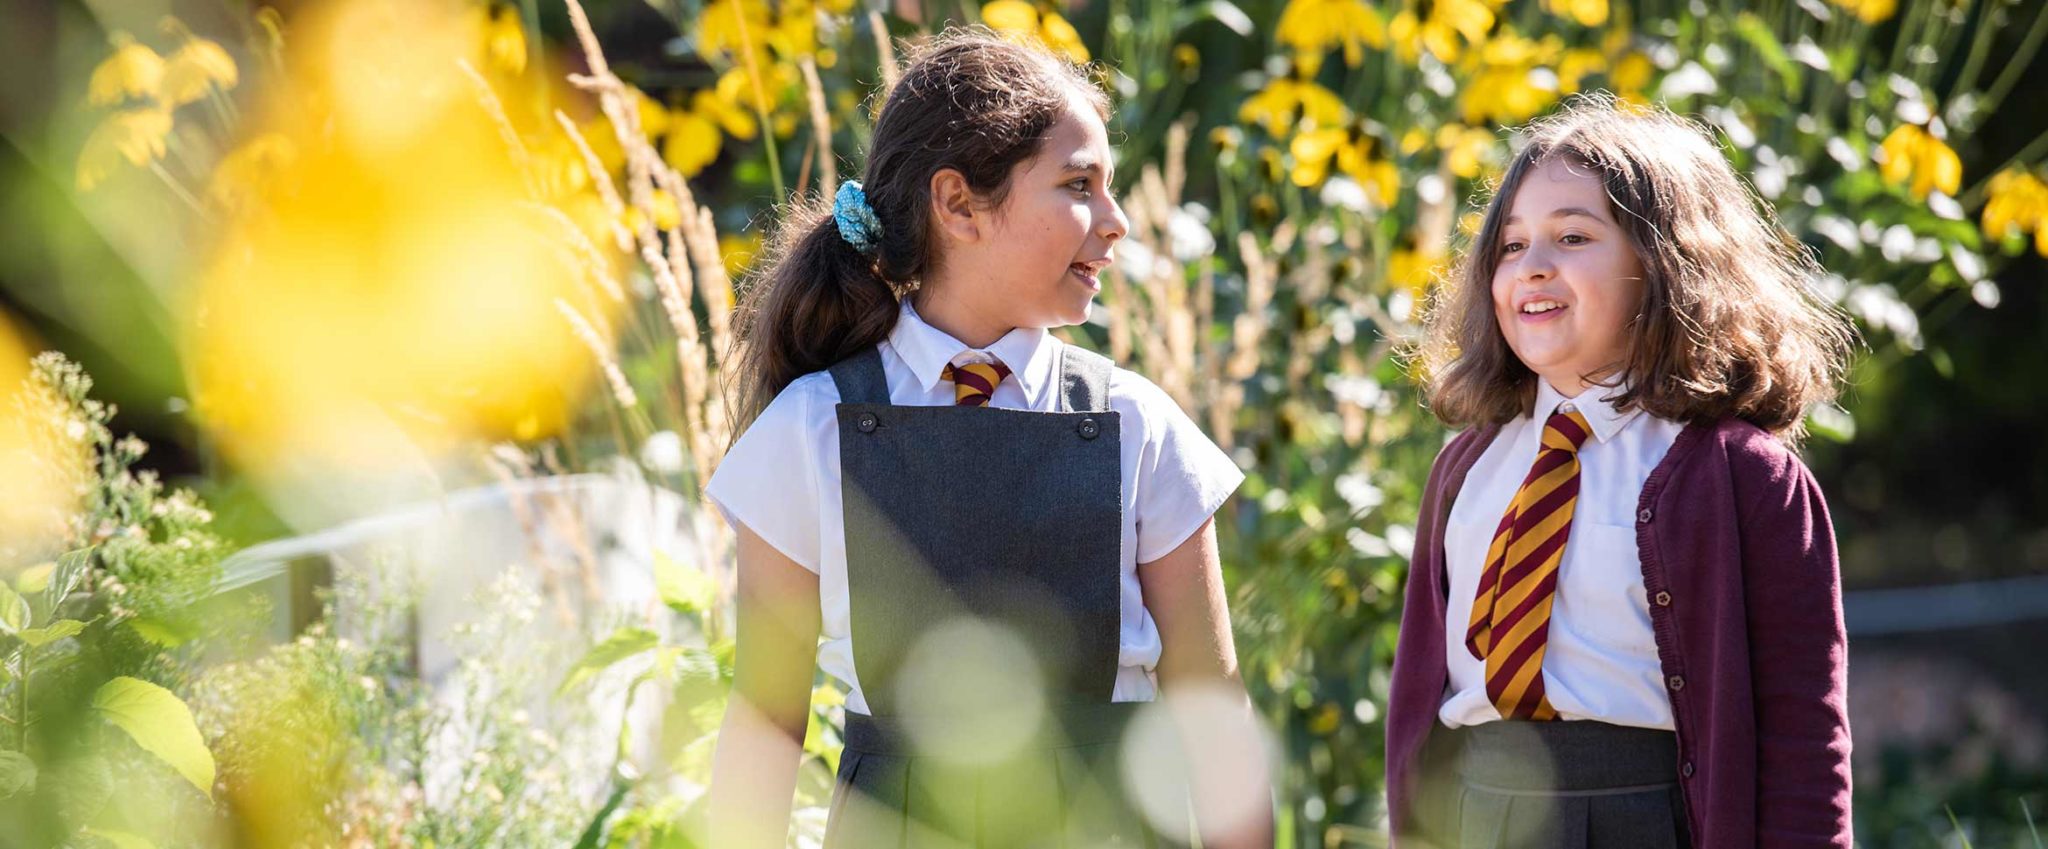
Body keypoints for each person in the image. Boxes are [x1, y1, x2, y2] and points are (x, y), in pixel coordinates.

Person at [705, 29, 1272, 849]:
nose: (1114, 223)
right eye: (1080, 185)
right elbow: (763, 725)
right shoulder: (808, 431)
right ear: (959, 205)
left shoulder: (1139, 427)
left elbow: (1214, 714)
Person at [1387, 96, 1858, 849]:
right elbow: (1420, 707)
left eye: (1573, 236)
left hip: (1648, 820)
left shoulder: (1745, 478)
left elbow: (1806, 735)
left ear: (1661, 265)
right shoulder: (1465, 469)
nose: (1533, 266)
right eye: (1510, 246)